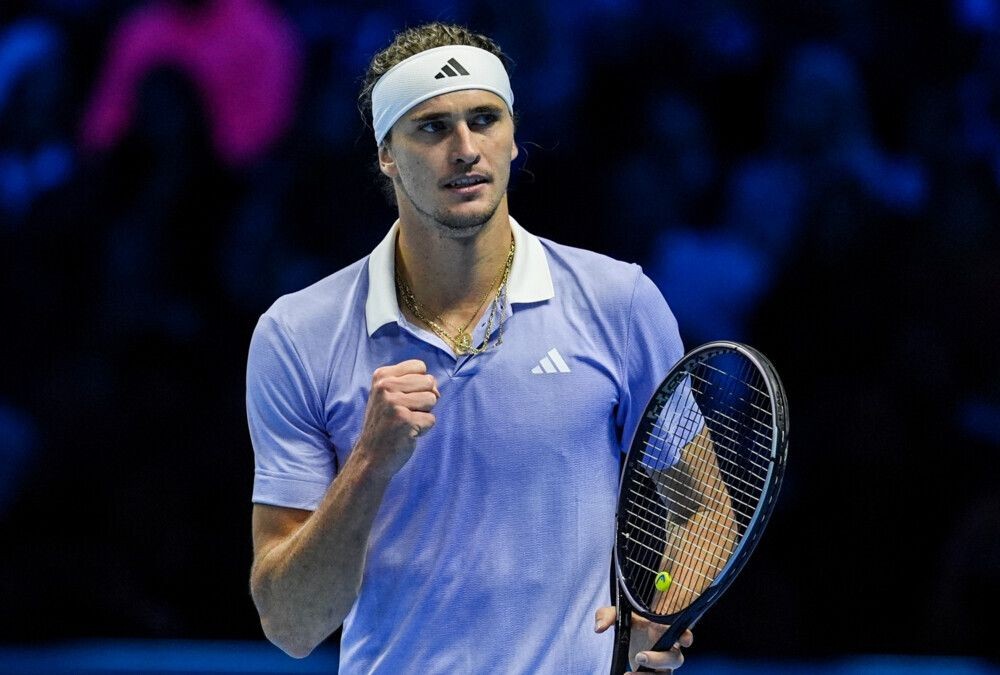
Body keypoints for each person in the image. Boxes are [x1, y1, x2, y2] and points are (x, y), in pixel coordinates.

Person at [246, 22, 695, 673]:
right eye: (431, 128)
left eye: (484, 120)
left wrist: (662, 603)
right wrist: (368, 462)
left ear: (512, 138)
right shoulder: (296, 334)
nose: (464, 149)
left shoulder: (620, 303)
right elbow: (292, 622)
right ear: (387, 153)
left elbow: (700, 504)